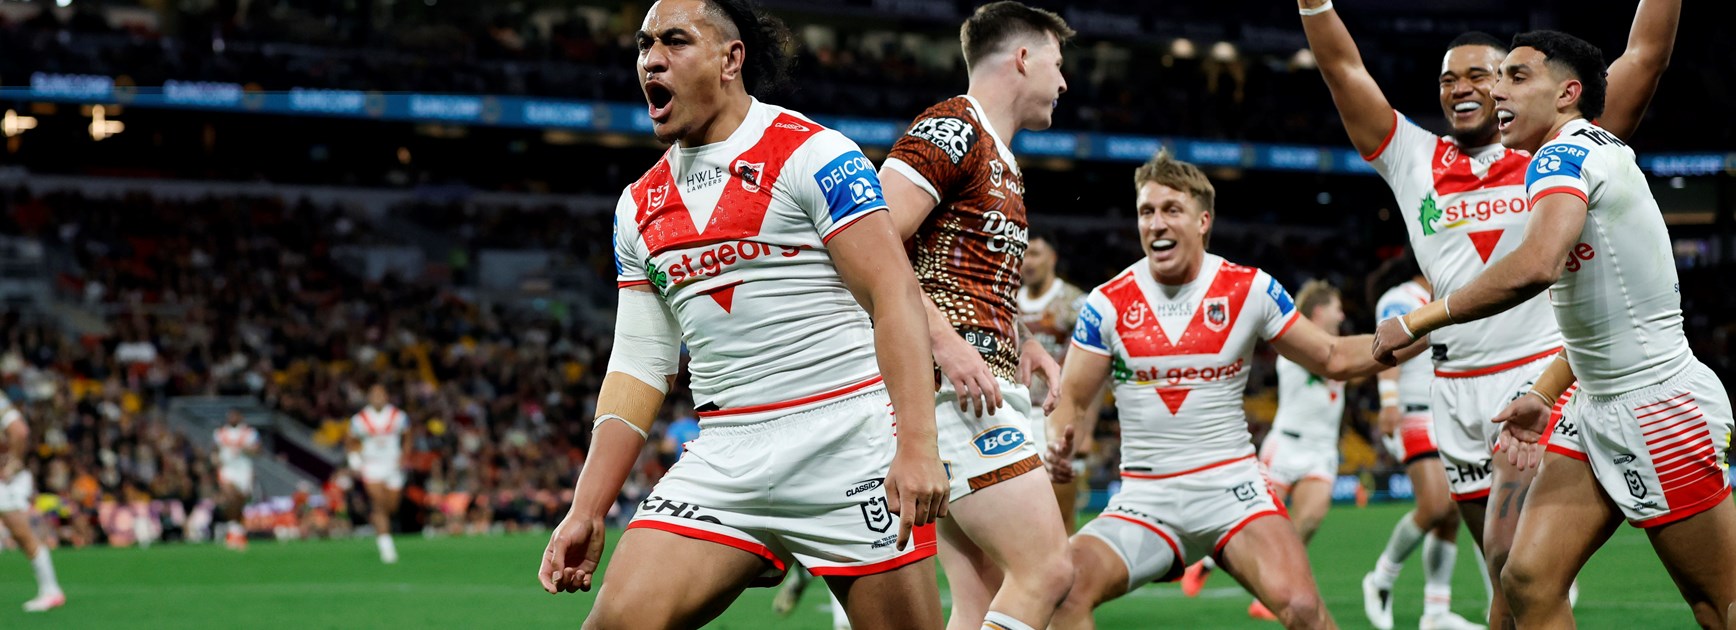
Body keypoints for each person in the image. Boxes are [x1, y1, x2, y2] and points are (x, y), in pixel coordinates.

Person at [536, 1, 950, 627]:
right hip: (727, 454)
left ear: (731, 60)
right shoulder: (637, 206)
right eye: (645, 45)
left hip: (848, 440)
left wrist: (918, 446)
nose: (651, 59)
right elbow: (640, 364)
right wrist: (587, 508)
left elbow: (893, 297)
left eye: (675, 41)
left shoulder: (817, 156)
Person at [1295, 0, 1679, 624]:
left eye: (1482, 74)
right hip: (1456, 393)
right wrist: (1314, 4)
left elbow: (1644, 59)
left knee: (1515, 562)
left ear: (1510, 86)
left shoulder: (1549, 144)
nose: (1463, 87)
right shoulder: (1411, 156)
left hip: (1541, 378)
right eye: (1448, 78)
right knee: (1502, 572)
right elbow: (1342, 67)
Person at [1373, 30, 1736, 629]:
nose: (1495, 90)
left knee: (1718, 608)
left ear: (1568, 93)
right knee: (1526, 581)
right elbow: (1593, 320)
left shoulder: (1562, 157)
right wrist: (1543, 393)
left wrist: (1418, 319)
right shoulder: (1586, 151)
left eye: (1516, 77)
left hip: (1659, 408)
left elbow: (1534, 265)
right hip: (1593, 402)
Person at [1046, 151, 1425, 630]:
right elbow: (1073, 401)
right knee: (1061, 592)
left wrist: (1431, 327)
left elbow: (1332, 356)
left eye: (1171, 210)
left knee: (1304, 610)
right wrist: (1058, 440)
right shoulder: (1107, 303)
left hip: (1232, 489)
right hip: (1144, 497)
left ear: (1203, 220)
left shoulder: (1250, 289)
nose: (1156, 223)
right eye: (1146, 211)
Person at [879, 3, 1075, 628]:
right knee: (1048, 569)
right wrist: (943, 341)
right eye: (1058, 62)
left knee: (983, 596)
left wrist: (1025, 342)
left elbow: (968, 278)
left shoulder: (1005, 158)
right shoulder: (952, 126)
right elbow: (870, 241)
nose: (1064, 82)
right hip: (951, 393)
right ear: (1023, 58)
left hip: (984, 384)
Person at [1186, 280, 1351, 622]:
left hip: (1322, 450)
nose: (1343, 313)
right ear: (1319, 311)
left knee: (1310, 519)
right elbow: (1331, 361)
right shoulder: (1297, 345)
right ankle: (1204, 562)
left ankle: (1273, 592)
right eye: (1337, 306)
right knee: (1249, 521)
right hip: (1287, 445)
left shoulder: (1338, 345)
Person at [1360, 255, 1483, 630]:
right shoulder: (1402, 297)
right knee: (1433, 506)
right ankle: (1380, 578)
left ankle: (1435, 610)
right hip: (1415, 411)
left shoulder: (1448, 295)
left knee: (1450, 513)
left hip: (1448, 408)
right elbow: (1387, 349)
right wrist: (1390, 403)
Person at [1019, 230, 1097, 534]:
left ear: (1052, 257)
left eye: (1035, 253)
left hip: (1056, 418)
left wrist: (1086, 427)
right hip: (1014, 415)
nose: (1027, 261)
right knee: (1018, 521)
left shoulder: (1075, 303)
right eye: (1023, 253)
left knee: (1060, 522)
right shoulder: (1007, 301)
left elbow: (1096, 370)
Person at [0, 392, 64, 612]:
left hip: (6, 480)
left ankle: (51, 590)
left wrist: (13, 462)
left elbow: (19, 431)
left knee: (21, 532)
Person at [348, 384, 410, 564]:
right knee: (378, 503)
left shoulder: (398, 416)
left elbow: (408, 435)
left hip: (392, 466)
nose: (378, 398)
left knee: (391, 506)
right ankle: (385, 544)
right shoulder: (359, 419)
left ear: (386, 397)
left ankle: (381, 525)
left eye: (381, 395)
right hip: (372, 465)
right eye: (374, 395)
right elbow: (350, 441)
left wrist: (404, 456)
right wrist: (355, 461)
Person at [214, 409, 261, 551]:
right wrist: (214, 458)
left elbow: (257, 451)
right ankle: (233, 528)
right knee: (231, 496)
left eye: (235, 415)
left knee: (240, 501)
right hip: (228, 469)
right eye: (230, 415)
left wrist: (244, 449)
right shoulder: (220, 433)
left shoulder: (250, 433)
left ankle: (236, 531)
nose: (232, 418)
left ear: (240, 417)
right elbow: (215, 450)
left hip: (243, 470)